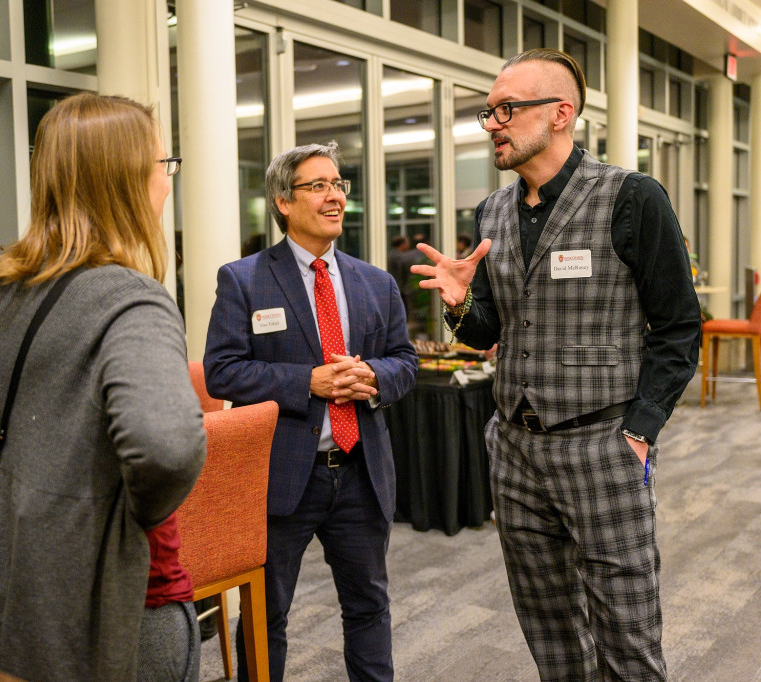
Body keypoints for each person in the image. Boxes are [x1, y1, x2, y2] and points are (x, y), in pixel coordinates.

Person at [412, 49, 700, 680]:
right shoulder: (492, 213)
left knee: (627, 636)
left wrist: (641, 430)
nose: (493, 123)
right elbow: (488, 330)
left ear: (562, 113)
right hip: (514, 448)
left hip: (603, 444)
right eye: (489, 112)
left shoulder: (631, 197)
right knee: (548, 630)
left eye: (507, 109)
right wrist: (461, 305)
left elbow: (678, 326)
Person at [0, 93, 206, 682]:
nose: (167, 184)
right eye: (162, 167)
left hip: (7, 582)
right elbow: (168, 447)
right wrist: (131, 511)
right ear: (126, 181)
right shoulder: (132, 300)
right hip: (114, 603)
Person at [204, 141, 418, 682]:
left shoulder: (377, 283)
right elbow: (222, 372)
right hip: (281, 477)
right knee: (265, 612)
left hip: (360, 474)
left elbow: (405, 363)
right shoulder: (244, 279)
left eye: (338, 185)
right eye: (317, 186)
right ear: (282, 201)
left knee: (369, 607)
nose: (334, 197)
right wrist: (308, 381)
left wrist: (373, 376)